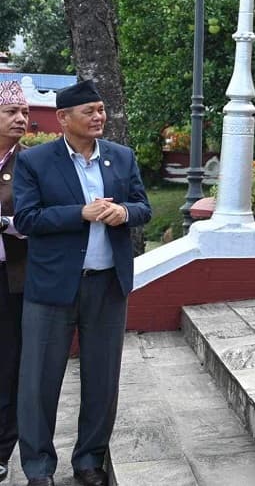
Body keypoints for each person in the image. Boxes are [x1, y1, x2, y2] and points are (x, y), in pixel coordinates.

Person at [13, 80, 152, 486]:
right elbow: (27, 219)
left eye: (101, 110)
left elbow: (143, 205)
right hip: (53, 289)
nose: (98, 117)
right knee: (39, 382)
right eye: (89, 111)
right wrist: (82, 213)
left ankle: (90, 461)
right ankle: (38, 468)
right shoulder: (36, 161)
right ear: (63, 118)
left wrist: (124, 213)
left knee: (102, 379)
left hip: (108, 286)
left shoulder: (121, 157)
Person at [0, 81, 29, 485]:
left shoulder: (30, 163)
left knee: (8, 365)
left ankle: (2, 449)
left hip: (11, 280)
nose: (21, 118)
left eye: (24, 111)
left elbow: (37, 217)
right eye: (12, 112)